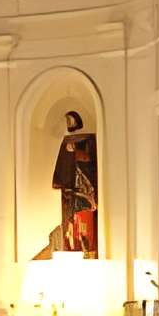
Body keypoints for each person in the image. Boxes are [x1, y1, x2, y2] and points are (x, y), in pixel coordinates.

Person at [52, 110, 100, 258]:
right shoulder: (66, 142)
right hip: (71, 188)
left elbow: (87, 158)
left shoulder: (87, 139)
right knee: (72, 219)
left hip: (84, 188)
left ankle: (85, 248)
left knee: (84, 219)